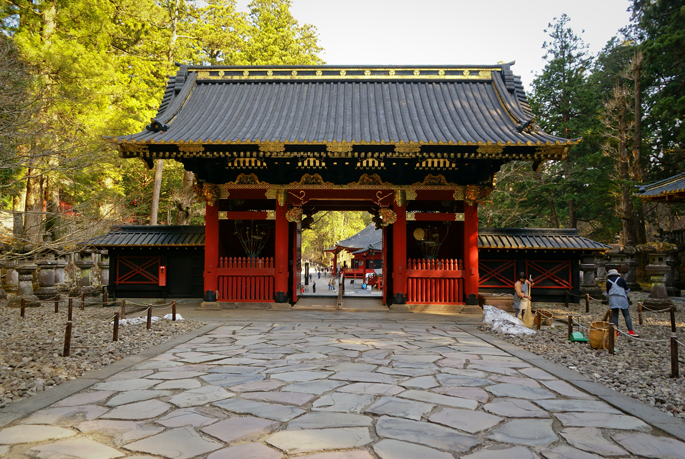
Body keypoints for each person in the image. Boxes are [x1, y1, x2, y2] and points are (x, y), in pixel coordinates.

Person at [606, 269, 638, 337]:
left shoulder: (608, 282)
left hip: (613, 299)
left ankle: (616, 331)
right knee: (626, 315)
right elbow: (627, 290)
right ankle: (631, 331)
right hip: (622, 298)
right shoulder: (621, 280)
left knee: (615, 315)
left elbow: (607, 293)